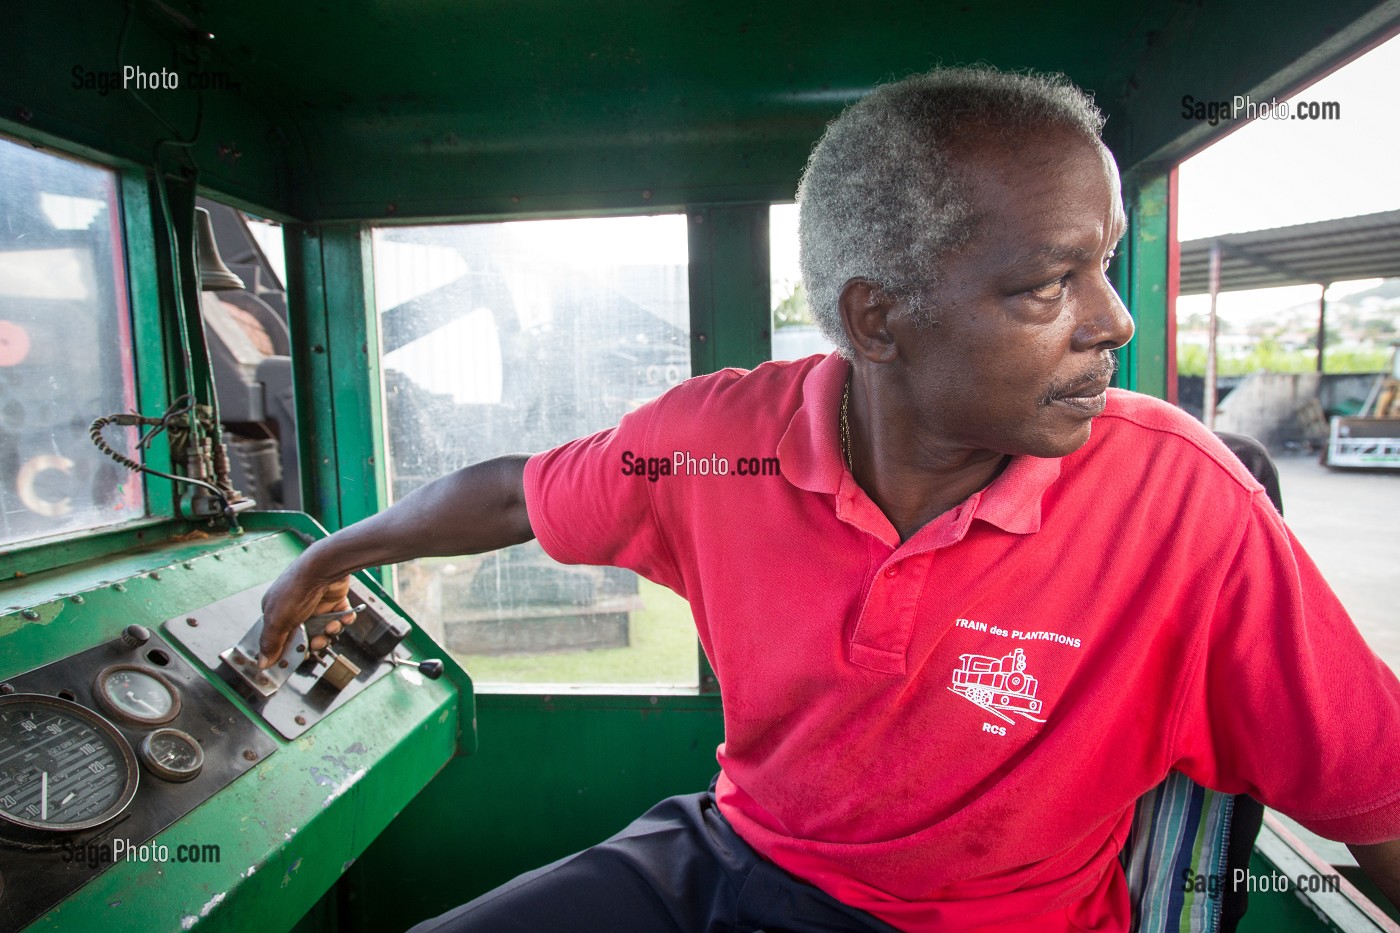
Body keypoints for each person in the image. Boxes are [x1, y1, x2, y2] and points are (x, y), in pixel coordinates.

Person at [258, 67, 1400, 931]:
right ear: (875, 320)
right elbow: (513, 494)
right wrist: (324, 559)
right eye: (1049, 283)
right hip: (739, 856)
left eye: (1102, 266)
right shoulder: (714, 445)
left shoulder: (1175, 498)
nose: (1113, 322)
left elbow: (1377, 797)